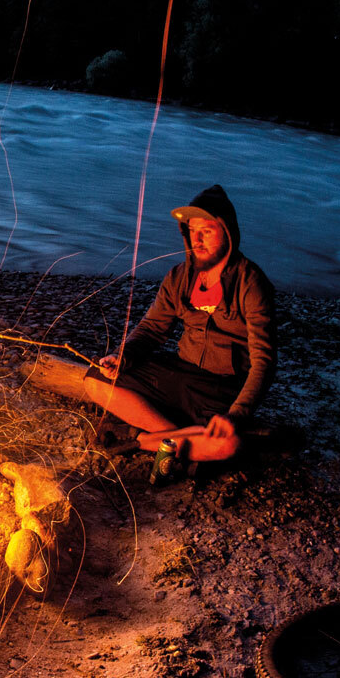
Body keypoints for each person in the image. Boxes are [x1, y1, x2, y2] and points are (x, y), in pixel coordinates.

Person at [90, 185, 276, 481]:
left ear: (227, 232)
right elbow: (151, 330)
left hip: (221, 390)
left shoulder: (250, 283)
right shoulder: (180, 276)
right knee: (95, 379)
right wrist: (121, 358)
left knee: (228, 443)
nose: (198, 239)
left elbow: (263, 362)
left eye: (208, 231)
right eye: (192, 231)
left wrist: (237, 414)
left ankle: (142, 440)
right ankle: (176, 441)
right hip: (180, 373)